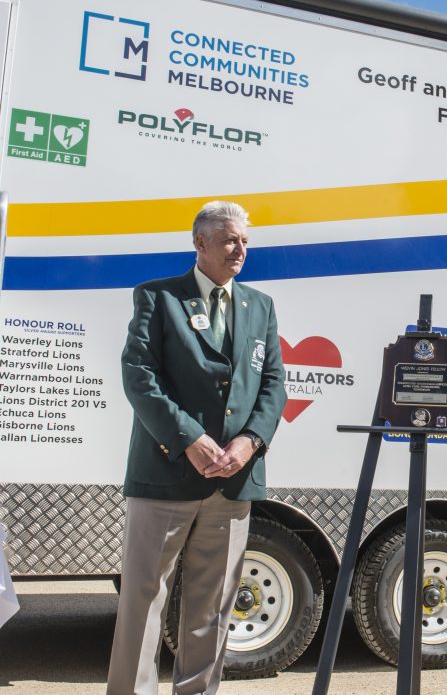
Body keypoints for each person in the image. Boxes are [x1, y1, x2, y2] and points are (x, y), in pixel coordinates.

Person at [107, 201, 286, 695]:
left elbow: (274, 384)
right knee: (143, 600)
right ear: (200, 243)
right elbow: (139, 377)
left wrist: (250, 442)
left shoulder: (261, 306)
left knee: (213, 606)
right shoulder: (157, 298)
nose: (241, 250)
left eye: (245, 240)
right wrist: (189, 438)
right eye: (230, 240)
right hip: (165, 473)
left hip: (232, 480)